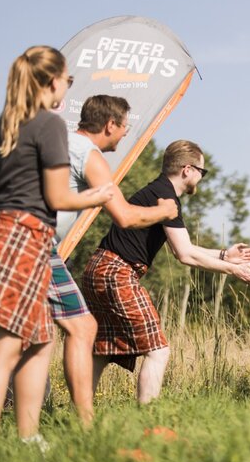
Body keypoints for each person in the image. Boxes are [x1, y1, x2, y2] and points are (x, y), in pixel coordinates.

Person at [0, 46, 112, 445]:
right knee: (5, 349)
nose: (68, 86)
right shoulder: (48, 123)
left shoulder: (5, 125)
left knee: (41, 340)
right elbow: (59, 198)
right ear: (52, 82)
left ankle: (29, 439)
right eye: (68, 79)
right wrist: (99, 196)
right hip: (22, 238)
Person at [82, 140, 250, 404]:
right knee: (158, 350)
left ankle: (81, 418)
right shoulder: (165, 198)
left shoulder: (160, 192)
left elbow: (184, 245)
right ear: (188, 170)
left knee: (103, 349)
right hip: (117, 272)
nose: (202, 178)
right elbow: (185, 255)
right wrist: (233, 270)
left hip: (98, 269)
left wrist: (226, 255)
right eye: (203, 172)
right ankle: (150, 421)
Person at [45, 94, 178, 424]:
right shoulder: (88, 154)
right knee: (151, 346)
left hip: (24, 241)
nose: (125, 134)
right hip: (40, 246)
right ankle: (112, 423)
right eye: (124, 127)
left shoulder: (55, 143)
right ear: (110, 124)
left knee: (76, 334)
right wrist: (163, 211)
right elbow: (126, 217)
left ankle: (62, 425)